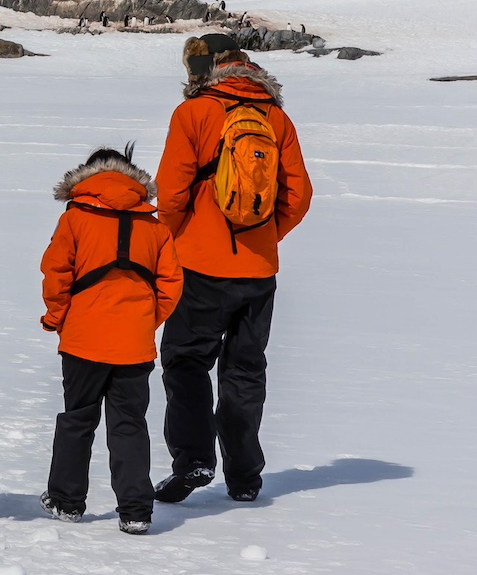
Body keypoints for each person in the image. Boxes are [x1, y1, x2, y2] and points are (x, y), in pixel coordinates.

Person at [152, 34, 313, 506]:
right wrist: (265, 238)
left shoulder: (194, 112)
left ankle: (194, 460)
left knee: (185, 364)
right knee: (245, 372)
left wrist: (173, 242)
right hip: (259, 272)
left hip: (199, 266)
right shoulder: (276, 117)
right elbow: (298, 196)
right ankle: (244, 476)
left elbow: (173, 194)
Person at [38, 145, 184, 535]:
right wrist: (144, 321)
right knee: (129, 425)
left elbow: (56, 274)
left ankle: (67, 503)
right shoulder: (154, 225)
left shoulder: (74, 219)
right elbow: (172, 284)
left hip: (83, 339)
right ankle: (136, 510)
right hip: (134, 344)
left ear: (86, 177)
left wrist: (57, 318)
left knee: (77, 420)